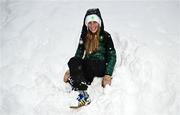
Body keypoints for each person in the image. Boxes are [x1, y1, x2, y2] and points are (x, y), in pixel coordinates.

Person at [63, 8, 116, 107]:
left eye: (94, 22)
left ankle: (78, 85)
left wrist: (108, 74)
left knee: (88, 65)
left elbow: (112, 56)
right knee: (72, 61)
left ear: (99, 22)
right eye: (90, 23)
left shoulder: (105, 36)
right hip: (88, 65)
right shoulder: (84, 36)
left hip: (100, 65)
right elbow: (79, 53)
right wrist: (72, 69)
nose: (92, 26)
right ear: (86, 24)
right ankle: (83, 93)